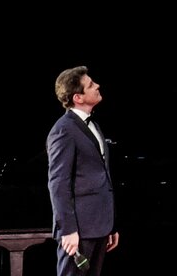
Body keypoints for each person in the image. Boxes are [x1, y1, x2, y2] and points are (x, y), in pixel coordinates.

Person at [46, 66, 119, 276]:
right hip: (78, 229)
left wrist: (111, 225)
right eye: (91, 85)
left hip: (99, 225)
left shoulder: (93, 125)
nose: (97, 86)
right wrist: (68, 230)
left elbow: (101, 175)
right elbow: (58, 183)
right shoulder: (64, 129)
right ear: (78, 97)